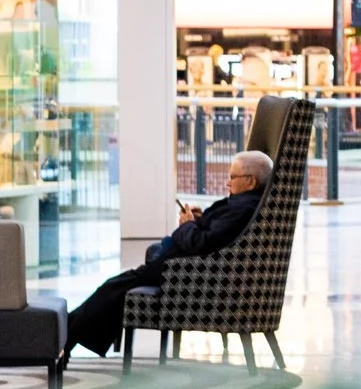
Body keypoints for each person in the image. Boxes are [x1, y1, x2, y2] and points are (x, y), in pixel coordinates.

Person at [63, 150, 272, 358]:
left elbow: (200, 243)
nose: (228, 183)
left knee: (113, 288)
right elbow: (213, 237)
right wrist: (198, 221)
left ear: (250, 182)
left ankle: (65, 333)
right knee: (115, 288)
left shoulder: (242, 208)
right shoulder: (243, 204)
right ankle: (66, 331)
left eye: (232, 177)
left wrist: (188, 224)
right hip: (182, 268)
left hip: (184, 273)